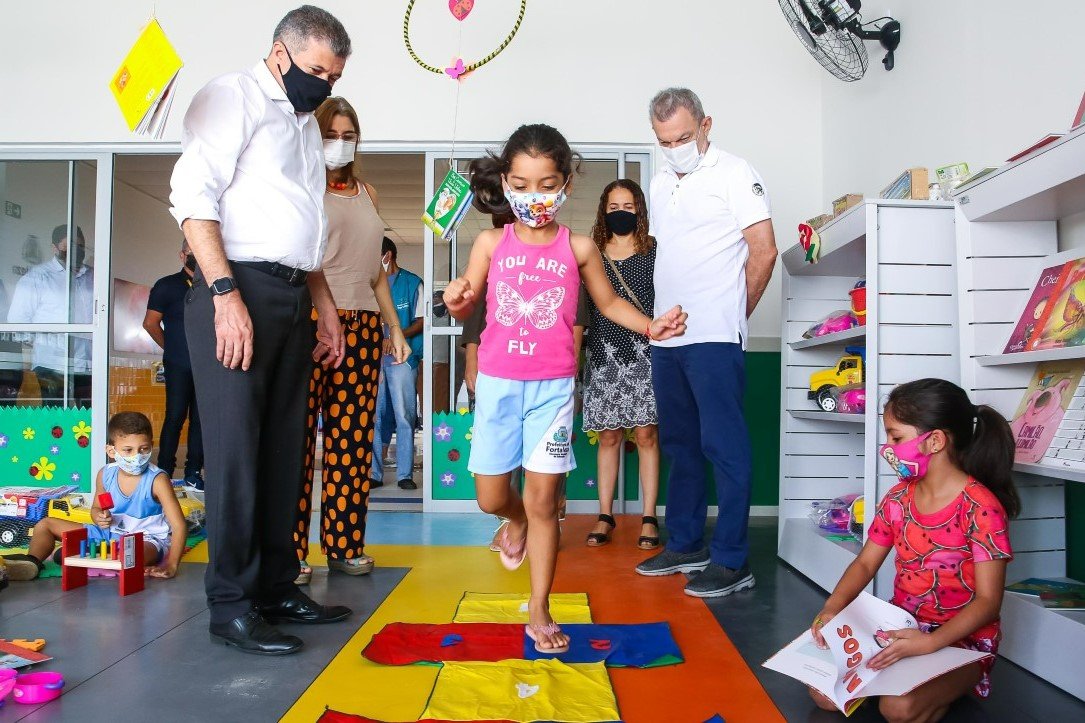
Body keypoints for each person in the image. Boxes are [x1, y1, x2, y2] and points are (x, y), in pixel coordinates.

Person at [442, 123, 687, 653]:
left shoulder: (578, 247)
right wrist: (458, 298)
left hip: (553, 391)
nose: (536, 197)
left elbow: (608, 304)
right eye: (524, 185)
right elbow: (468, 300)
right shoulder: (490, 242)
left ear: (566, 184)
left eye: (547, 184)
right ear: (506, 183)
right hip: (500, 384)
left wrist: (650, 325)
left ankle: (540, 609)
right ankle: (514, 522)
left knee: (544, 498)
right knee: (490, 497)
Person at [169, 5, 354, 656]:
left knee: (285, 453)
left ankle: (278, 585)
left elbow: (302, 226)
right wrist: (224, 294)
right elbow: (192, 195)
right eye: (314, 72)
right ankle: (231, 603)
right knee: (237, 457)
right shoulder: (234, 97)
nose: (323, 87)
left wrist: (323, 304)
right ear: (279, 53)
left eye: (332, 78)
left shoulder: (303, 123)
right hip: (235, 290)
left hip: (289, 293)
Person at [635, 88, 778, 598]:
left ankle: (733, 559)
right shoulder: (657, 181)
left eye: (683, 137)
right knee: (680, 445)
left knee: (725, 447)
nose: (674, 147)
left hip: (715, 335)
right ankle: (687, 543)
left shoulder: (736, 172)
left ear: (706, 125)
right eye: (663, 140)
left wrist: (735, 316)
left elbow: (764, 252)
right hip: (667, 336)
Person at [809, 379, 1018, 721]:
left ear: (935, 440)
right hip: (901, 628)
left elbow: (988, 602)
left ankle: (947, 684)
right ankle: (904, 681)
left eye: (896, 437)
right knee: (823, 695)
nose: (888, 447)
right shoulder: (897, 498)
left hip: (961, 642)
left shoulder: (982, 508)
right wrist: (831, 610)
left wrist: (930, 644)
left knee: (899, 708)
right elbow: (864, 565)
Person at [293, 96, 410, 586]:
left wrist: (395, 330)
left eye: (348, 134)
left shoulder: (368, 192)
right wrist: (322, 315)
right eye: (330, 134)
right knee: (299, 444)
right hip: (312, 323)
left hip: (363, 328)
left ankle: (344, 545)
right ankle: (291, 553)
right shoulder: (301, 187)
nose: (340, 143)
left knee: (353, 443)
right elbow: (300, 261)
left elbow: (376, 274)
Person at [2, 412, 187, 581]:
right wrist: (99, 516)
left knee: (132, 555)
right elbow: (97, 509)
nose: (136, 457)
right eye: (128, 450)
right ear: (111, 451)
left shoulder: (158, 480)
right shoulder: (105, 474)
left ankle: (83, 556)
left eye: (144, 449)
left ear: (151, 446)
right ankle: (32, 562)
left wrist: (171, 565)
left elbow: (178, 525)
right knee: (45, 525)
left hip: (146, 539)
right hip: (108, 534)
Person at [582, 180, 660, 549]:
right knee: (609, 436)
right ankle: (605, 514)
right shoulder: (591, 253)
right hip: (602, 354)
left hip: (646, 351)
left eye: (628, 206)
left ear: (639, 209)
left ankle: (648, 516)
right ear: (604, 210)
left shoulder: (655, 251)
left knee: (646, 435)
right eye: (614, 207)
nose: (621, 213)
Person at [7, 224, 94, 407]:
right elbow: (17, 322)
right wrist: (44, 343)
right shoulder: (37, 278)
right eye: (68, 246)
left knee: (87, 418)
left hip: (86, 363)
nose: (75, 250)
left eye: (80, 246)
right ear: (54, 247)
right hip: (51, 363)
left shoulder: (92, 277)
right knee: (54, 416)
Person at [143, 240, 204, 489]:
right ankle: (165, 470)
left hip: (207, 366)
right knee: (175, 417)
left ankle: (193, 473)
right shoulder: (166, 285)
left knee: (201, 420)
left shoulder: (213, 286)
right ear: (182, 255)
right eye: (192, 251)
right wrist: (171, 347)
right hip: (178, 363)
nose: (198, 256)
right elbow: (150, 323)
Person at [370, 238, 423, 491]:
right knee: (376, 417)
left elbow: (422, 321)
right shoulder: (368, 284)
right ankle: (374, 473)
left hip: (403, 359)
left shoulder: (412, 284)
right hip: (375, 359)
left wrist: (396, 335)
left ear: (387, 256)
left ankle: (405, 474)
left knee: (405, 416)